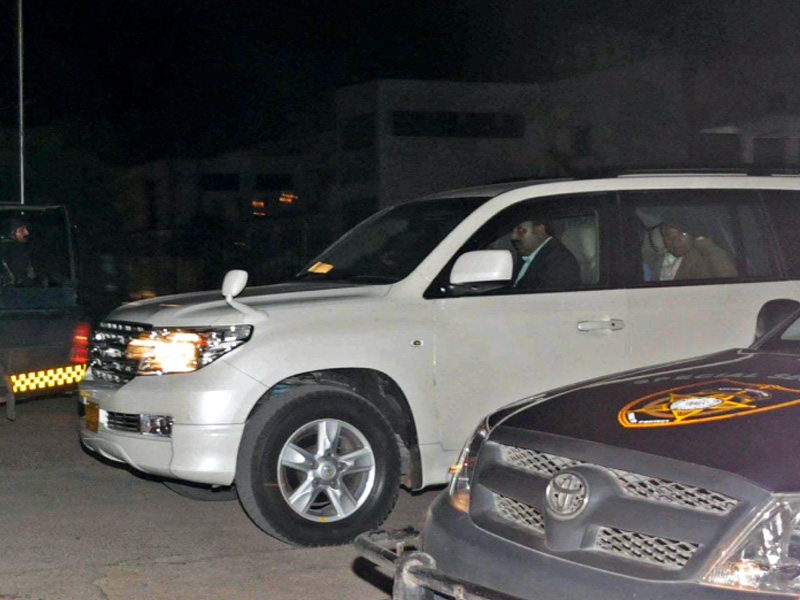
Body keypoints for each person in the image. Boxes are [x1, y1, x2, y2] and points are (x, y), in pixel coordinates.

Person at [510, 219, 580, 290]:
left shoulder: (559, 261)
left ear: (540, 231)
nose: (513, 237)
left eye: (521, 231)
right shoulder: (527, 256)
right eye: (512, 231)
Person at [656, 223, 736, 281]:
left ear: (692, 236)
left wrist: (701, 241)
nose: (675, 241)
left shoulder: (703, 257)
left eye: (683, 234)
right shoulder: (657, 260)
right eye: (670, 236)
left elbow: (728, 276)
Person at [0, 218, 36, 286]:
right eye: (22, 230)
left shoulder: (23, 249)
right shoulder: (14, 251)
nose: (27, 233)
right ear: (11, 232)